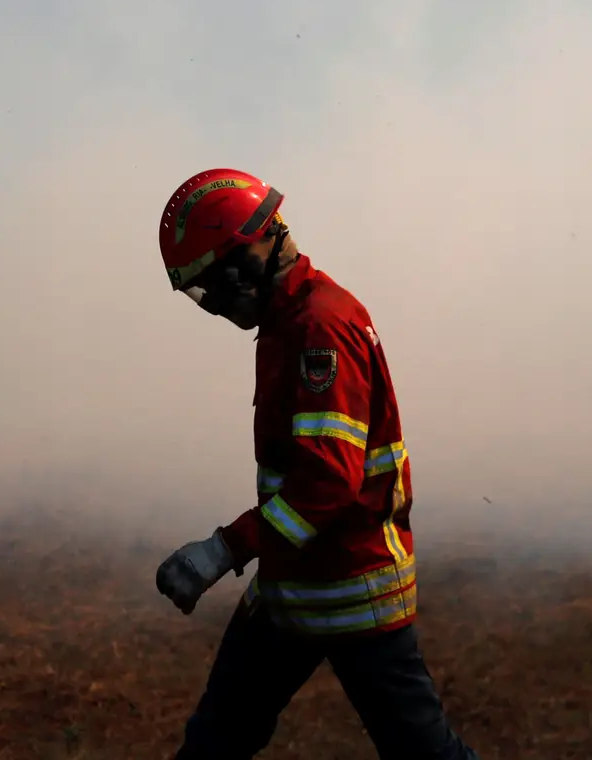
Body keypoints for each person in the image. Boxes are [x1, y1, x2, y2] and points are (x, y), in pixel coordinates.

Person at [153, 168, 478, 760]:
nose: (217, 307)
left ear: (244, 261)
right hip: (292, 588)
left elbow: (327, 483)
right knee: (216, 741)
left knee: (425, 754)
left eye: (213, 287)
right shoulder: (287, 322)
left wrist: (223, 549)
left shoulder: (319, 327)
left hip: (351, 589)